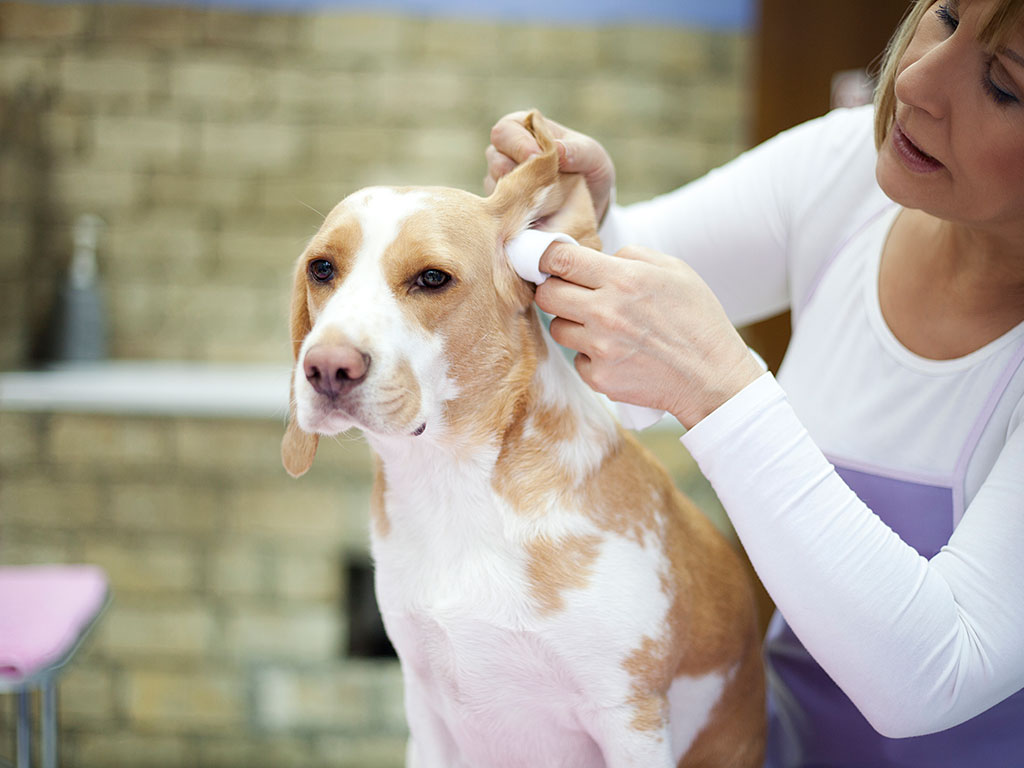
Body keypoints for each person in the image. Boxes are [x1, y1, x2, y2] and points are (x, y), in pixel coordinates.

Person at [485, 0, 1024, 765]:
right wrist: (586, 226)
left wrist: (720, 390)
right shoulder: (846, 170)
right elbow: (628, 284)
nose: (916, 80)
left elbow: (931, 676)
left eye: (1004, 85)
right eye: (942, 16)